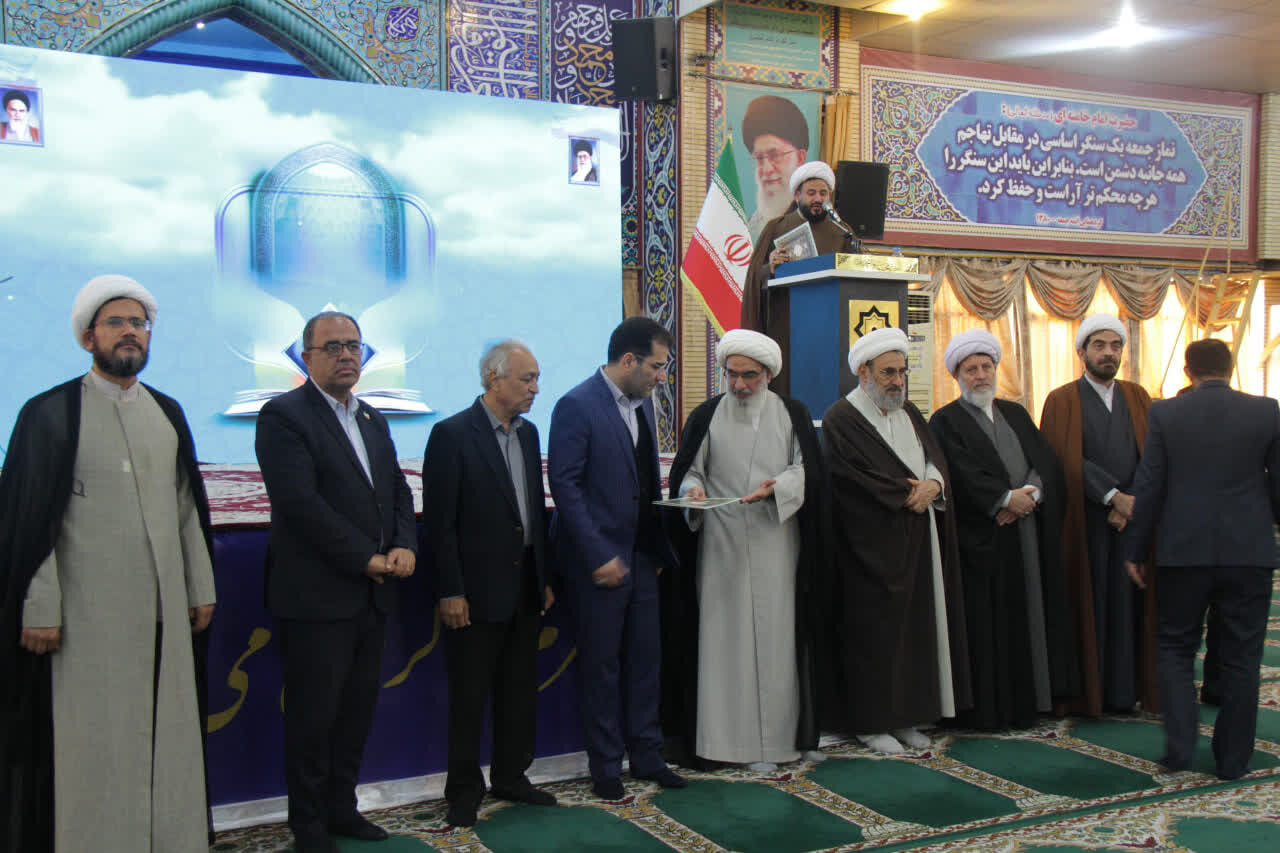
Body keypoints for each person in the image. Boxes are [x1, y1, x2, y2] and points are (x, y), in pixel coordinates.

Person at [0, 274, 216, 852]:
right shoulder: (50, 414)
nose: (129, 333)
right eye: (115, 322)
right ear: (87, 337)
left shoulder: (166, 412)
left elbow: (185, 508)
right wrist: (39, 606)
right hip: (83, 620)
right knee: (91, 741)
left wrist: (200, 587)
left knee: (164, 733)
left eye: (138, 323)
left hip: (163, 615)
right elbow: (30, 524)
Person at [255, 311, 417, 853]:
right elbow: (300, 504)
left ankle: (342, 809)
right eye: (333, 347)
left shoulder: (371, 417)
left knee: (355, 712)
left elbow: (396, 489)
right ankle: (308, 825)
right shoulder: (283, 416)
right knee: (313, 717)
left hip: (372, 594)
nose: (346, 355)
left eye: (354, 345)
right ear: (306, 357)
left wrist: (404, 543)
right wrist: (366, 558)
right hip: (317, 598)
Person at [664, 329, 827, 771]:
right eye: (731, 375)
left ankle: (779, 743)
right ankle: (727, 744)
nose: (738, 385)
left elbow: (807, 469)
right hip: (722, 545)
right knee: (726, 646)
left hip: (778, 542)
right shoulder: (706, 414)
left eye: (749, 376)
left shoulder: (792, 412)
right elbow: (691, 472)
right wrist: (692, 491)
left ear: (768, 375)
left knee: (777, 644)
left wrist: (779, 488)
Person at [1124, 338, 1280, 779]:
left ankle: (1179, 751)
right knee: (1243, 657)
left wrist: (1137, 549)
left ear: (1187, 371)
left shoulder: (1166, 413)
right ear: (1230, 368)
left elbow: (1150, 485)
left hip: (1183, 551)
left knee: (1175, 649)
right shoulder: (1266, 411)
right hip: (1248, 553)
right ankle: (1233, 760)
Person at [548, 316, 686, 800]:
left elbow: (644, 482)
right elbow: (565, 486)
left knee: (646, 662)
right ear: (629, 360)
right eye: (657, 366)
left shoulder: (643, 405)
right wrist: (597, 554)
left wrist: (656, 545)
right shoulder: (576, 405)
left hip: (642, 559)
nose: (661, 377)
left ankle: (648, 755)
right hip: (600, 563)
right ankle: (606, 766)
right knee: (602, 668)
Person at [421, 340, 556, 828]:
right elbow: (441, 524)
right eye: (526, 379)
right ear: (493, 379)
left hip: (525, 586)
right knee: (470, 696)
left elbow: (533, 512)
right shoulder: (452, 434)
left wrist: (543, 576)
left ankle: (511, 776)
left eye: (537, 378)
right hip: (474, 592)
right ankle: (463, 790)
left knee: (519, 691)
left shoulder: (529, 434)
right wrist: (451, 590)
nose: (535, 388)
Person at [821, 327, 971, 754]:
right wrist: (907, 495)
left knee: (914, 633)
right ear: (864, 372)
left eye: (902, 372)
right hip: (867, 549)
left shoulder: (910, 413)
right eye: (888, 372)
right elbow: (851, 477)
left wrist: (934, 484)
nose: (897, 381)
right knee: (874, 637)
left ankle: (907, 717)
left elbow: (934, 459)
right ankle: (872, 724)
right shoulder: (842, 418)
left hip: (917, 542)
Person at [929, 330, 1079, 730]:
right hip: (986, 539)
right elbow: (958, 473)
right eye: (971, 369)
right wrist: (1002, 499)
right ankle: (996, 709)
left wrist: (1030, 494)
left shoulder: (1015, 413)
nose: (980, 375)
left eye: (986, 367)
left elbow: (1044, 461)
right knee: (992, 625)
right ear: (957, 375)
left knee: (1033, 614)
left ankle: (1037, 699)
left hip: (1027, 532)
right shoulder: (945, 420)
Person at [1040, 314, 1158, 716]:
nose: (1109, 353)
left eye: (1115, 346)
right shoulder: (1062, 400)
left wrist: (1130, 502)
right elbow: (1062, 458)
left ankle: (1126, 693)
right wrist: (1111, 497)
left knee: (1130, 606)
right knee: (1092, 604)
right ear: (1081, 352)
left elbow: (1153, 455)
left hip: (1133, 523)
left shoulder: (1138, 396)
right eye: (1099, 346)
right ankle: (1093, 693)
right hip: (1085, 522)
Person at [741, 160, 855, 394]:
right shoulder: (777, 227)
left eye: (823, 193)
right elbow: (754, 276)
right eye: (811, 193)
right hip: (787, 325)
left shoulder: (842, 232)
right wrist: (771, 267)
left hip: (830, 326)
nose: (818, 199)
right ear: (797, 195)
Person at [741, 95, 810, 240]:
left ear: (800, 157)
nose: (767, 169)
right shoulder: (748, 231)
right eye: (759, 158)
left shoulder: (812, 221)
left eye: (775, 155)